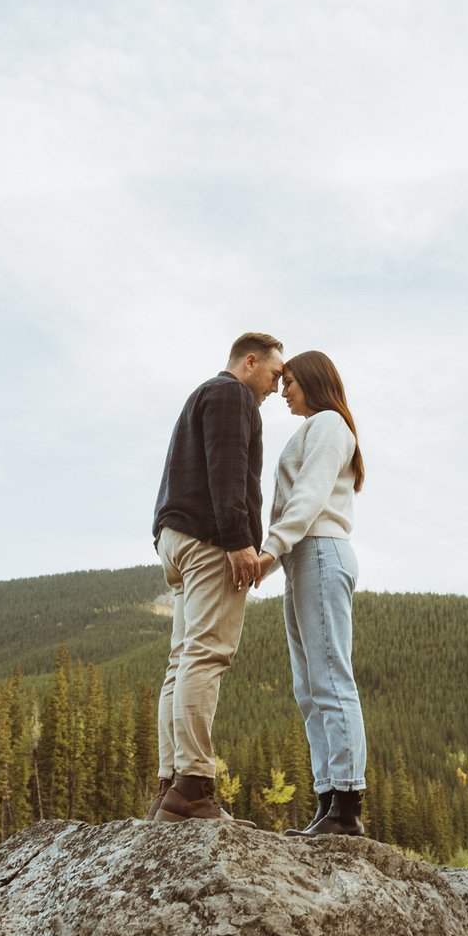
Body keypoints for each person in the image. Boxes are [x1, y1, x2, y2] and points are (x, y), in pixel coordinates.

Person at [149, 331, 285, 824]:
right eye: (273, 375)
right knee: (207, 655)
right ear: (249, 362)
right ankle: (193, 787)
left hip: (175, 538)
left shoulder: (201, 395)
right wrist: (238, 540)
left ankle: (169, 787)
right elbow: (228, 470)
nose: (275, 388)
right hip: (209, 538)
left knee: (181, 659)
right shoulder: (231, 394)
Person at [256, 350, 368, 837]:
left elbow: (309, 494)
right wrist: (280, 554)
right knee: (309, 686)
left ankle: (347, 803)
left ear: (315, 383)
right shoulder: (315, 427)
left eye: (291, 383)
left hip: (319, 549)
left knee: (329, 677)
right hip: (302, 558)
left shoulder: (328, 425)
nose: (283, 391)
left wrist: (269, 547)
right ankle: (327, 798)